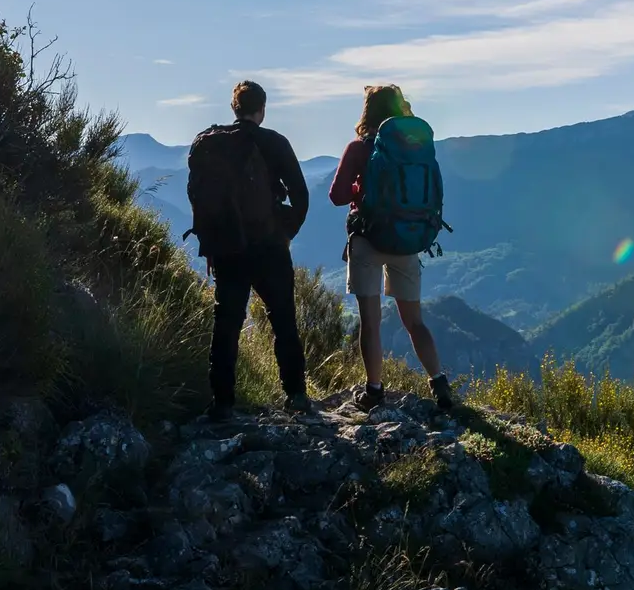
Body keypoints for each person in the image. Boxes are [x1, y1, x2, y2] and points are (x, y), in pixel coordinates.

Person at [186, 80, 312, 421]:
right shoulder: (274, 143)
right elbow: (301, 196)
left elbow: (200, 200)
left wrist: (210, 244)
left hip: (227, 247)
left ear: (234, 108)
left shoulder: (209, 144)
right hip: (269, 246)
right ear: (262, 109)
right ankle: (296, 396)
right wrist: (285, 232)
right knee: (283, 318)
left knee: (226, 322)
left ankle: (223, 402)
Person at [328, 84, 454, 413]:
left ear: (368, 111)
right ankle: (440, 385)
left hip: (368, 240)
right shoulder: (414, 149)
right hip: (408, 238)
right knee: (415, 321)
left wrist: (361, 187)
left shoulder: (358, 148)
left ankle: (374, 390)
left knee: (370, 321)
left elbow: (337, 196)